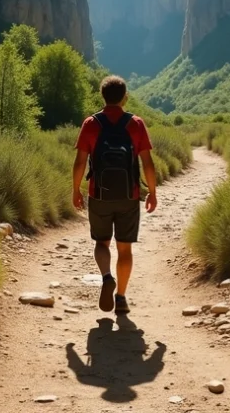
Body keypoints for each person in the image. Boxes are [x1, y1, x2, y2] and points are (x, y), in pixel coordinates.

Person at [72, 75, 157, 314]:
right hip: (129, 195)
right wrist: (152, 192)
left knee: (101, 242)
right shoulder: (136, 123)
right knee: (125, 249)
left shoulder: (91, 123)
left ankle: (106, 276)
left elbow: (79, 162)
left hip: (99, 194)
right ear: (125, 97)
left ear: (103, 96)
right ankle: (120, 297)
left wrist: (76, 190)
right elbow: (148, 163)